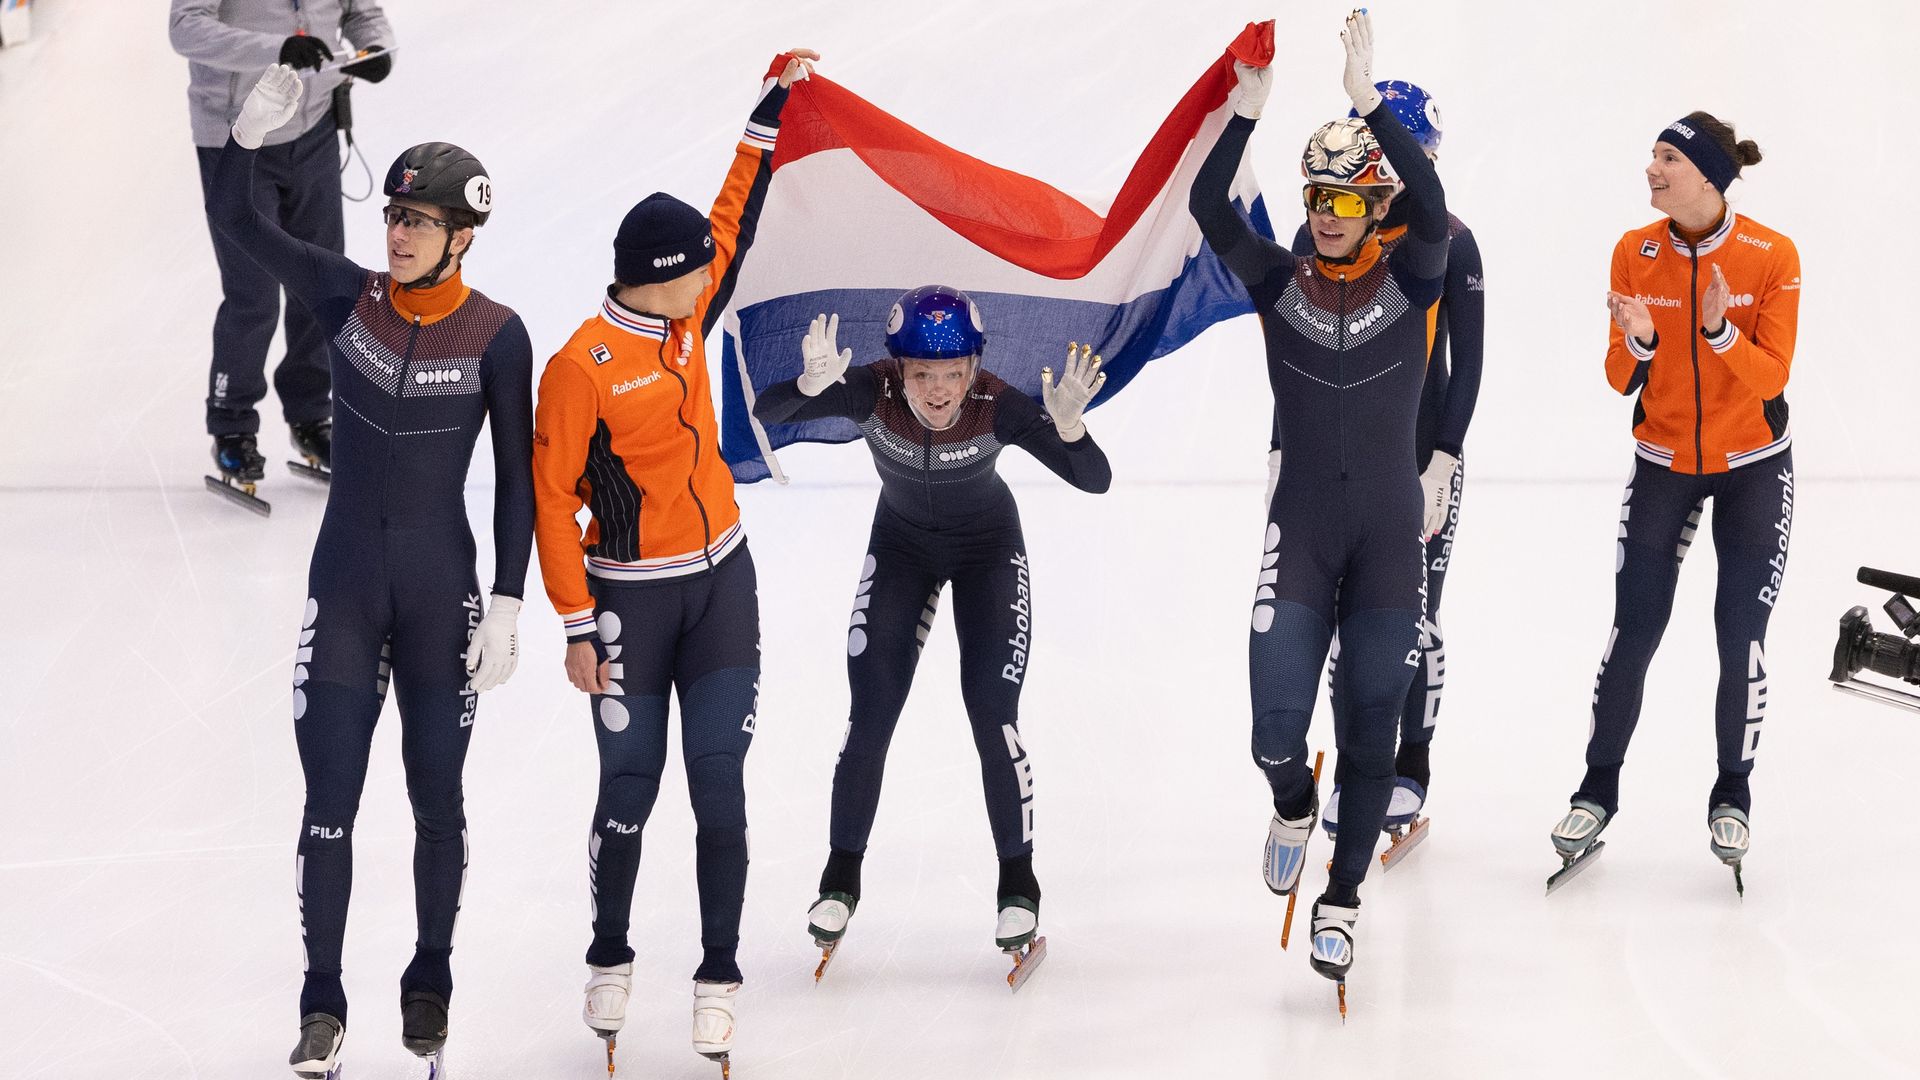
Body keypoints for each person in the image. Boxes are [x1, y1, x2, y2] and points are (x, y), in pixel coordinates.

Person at [207, 66, 531, 1077]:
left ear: (462, 236)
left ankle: (429, 980)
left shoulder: (497, 335)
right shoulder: (346, 295)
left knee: (439, 802)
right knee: (328, 805)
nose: (397, 234)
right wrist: (248, 143)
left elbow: (519, 479)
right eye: (392, 214)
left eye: (419, 221)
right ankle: (321, 1001)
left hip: (443, 596)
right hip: (345, 589)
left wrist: (512, 602)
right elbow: (244, 229)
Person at [531, 49, 818, 1074]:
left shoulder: (685, 318)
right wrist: (572, 622)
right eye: (696, 267)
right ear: (659, 279)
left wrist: (767, 115)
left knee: (721, 787)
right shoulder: (580, 369)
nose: (714, 273)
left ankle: (718, 975)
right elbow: (550, 504)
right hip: (629, 608)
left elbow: (729, 220)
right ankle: (609, 956)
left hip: (722, 586)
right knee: (629, 788)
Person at [1190, 10, 1448, 994]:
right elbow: (1213, 206)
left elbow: (1431, 208)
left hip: (1386, 536)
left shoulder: (1412, 276)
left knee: (1375, 713)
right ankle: (1293, 803)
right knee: (1273, 728)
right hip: (1301, 532)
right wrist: (1244, 114)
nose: (1330, 210)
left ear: (1372, 201)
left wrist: (1370, 106)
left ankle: (1342, 899)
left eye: (1348, 194)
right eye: (1317, 194)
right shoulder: (1278, 279)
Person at [752, 289, 1111, 978]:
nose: (938, 392)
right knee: (871, 713)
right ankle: (840, 878)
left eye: (952, 375)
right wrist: (807, 386)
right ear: (898, 370)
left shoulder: (999, 404)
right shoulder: (867, 392)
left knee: (991, 713)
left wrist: (1068, 432)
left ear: (975, 367)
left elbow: (1093, 480)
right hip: (903, 551)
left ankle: (1017, 885)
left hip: (987, 553)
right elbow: (770, 413)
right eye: (922, 375)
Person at [1549, 111, 1799, 893]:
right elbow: (1619, 375)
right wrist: (1643, 341)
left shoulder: (1771, 255)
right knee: (1632, 632)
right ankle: (1597, 791)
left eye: (1666, 158)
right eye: (1652, 157)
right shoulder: (1636, 251)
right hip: (1663, 465)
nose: (1651, 170)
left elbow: (1773, 379)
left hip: (1754, 467)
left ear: (1709, 175)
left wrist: (1721, 331)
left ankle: (1733, 790)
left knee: (1740, 635)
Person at [1274, 80, 1483, 849]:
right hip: (1329, 467)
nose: (1403, 173)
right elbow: (1291, 359)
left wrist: (1444, 458)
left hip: (1416, 460)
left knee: (1412, 621)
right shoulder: (1320, 235)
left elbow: (1467, 364)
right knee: (1335, 629)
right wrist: (1278, 449)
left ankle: (1412, 764)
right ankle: (1360, 760)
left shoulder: (1448, 240)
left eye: (1416, 157)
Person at [170, 0, 395, 503]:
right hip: (236, 133)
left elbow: (362, 13)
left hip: (312, 129)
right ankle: (232, 424)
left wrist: (376, 48)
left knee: (324, 283)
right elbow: (185, 28)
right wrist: (277, 50)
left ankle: (312, 415)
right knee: (254, 294)